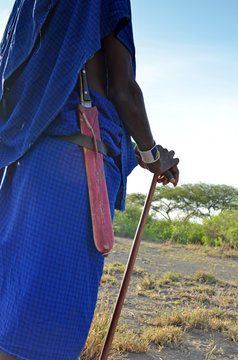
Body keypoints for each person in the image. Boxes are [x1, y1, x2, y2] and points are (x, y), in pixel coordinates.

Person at [0, 0, 179, 359]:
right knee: (45, 328)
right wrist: (150, 154)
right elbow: (123, 90)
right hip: (73, 169)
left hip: (25, 164)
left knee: (11, 312)